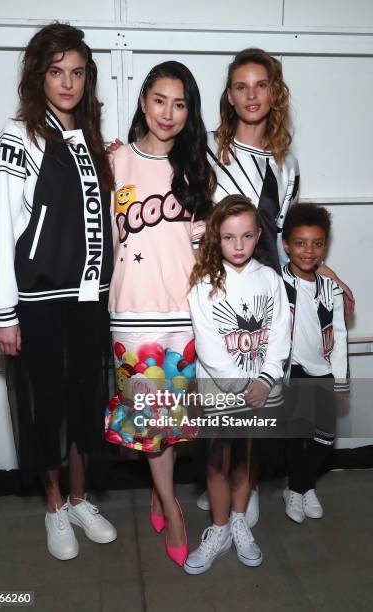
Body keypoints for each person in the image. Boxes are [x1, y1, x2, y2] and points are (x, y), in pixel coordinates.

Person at [0, 23, 116, 560]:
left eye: (77, 72)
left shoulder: (90, 139)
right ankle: (54, 506)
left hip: (89, 300)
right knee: (46, 409)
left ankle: (82, 498)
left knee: (86, 402)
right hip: (37, 303)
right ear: (39, 77)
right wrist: (3, 312)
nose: (68, 82)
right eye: (57, 71)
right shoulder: (20, 138)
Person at [197, 46, 354, 517]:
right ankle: (218, 482)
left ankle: (254, 485)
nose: (252, 95)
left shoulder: (287, 163)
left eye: (261, 85)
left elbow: (288, 235)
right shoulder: (206, 150)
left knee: (266, 390)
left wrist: (323, 271)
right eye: (241, 86)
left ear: (274, 92)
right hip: (219, 291)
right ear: (228, 95)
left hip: (269, 293)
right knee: (219, 392)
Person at [104, 61, 214, 566]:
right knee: (148, 423)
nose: (168, 113)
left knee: (175, 422)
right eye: (160, 100)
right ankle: (171, 506)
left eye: (180, 103)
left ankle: (159, 489)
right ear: (144, 98)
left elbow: (211, 250)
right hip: (130, 316)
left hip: (184, 317)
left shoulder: (197, 169)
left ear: (189, 111)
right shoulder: (113, 161)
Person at [184, 195, 290, 574]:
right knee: (215, 463)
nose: (239, 245)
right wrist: (242, 385)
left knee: (246, 459)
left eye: (246, 236)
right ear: (216, 237)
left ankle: (240, 521)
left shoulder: (270, 279)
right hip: (219, 390)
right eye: (229, 238)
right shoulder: (204, 283)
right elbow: (208, 343)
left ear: (259, 235)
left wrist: (264, 379)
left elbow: (280, 333)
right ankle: (219, 528)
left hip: (259, 391)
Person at [281, 203, 349, 523]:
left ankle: (300, 485)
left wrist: (340, 379)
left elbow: (339, 334)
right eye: (300, 243)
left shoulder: (330, 288)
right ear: (286, 245)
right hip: (290, 370)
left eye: (317, 243)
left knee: (324, 435)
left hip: (321, 368)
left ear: (324, 246)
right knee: (297, 433)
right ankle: (299, 492)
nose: (309, 251)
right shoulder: (274, 284)